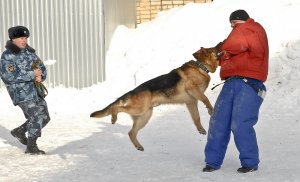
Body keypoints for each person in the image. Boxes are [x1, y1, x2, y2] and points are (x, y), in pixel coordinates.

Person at [202, 10, 269, 173]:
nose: (231, 26)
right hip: (232, 82)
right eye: (231, 24)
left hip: (249, 84)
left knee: (240, 123)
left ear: (241, 20)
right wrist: (222, 54)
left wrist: (222, 50)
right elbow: (226, 54)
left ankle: (250, 162)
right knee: (218, 121)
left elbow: (233, 44)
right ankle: (212, 161)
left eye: (233, 22)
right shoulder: (241, 33)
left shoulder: (252, 29)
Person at [0, 26, 50, 155]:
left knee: (45, 117)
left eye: (26, 38)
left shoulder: (29, 52)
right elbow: (8, 77)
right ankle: (31, 146)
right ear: (13, 39)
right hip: (21, 93)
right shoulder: (7, 56)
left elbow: (41, 66)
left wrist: (40, 75)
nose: (24, 40)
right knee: (36, 116)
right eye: (21, 38)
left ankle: (20, 131)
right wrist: (32, 74)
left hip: (35, 91)